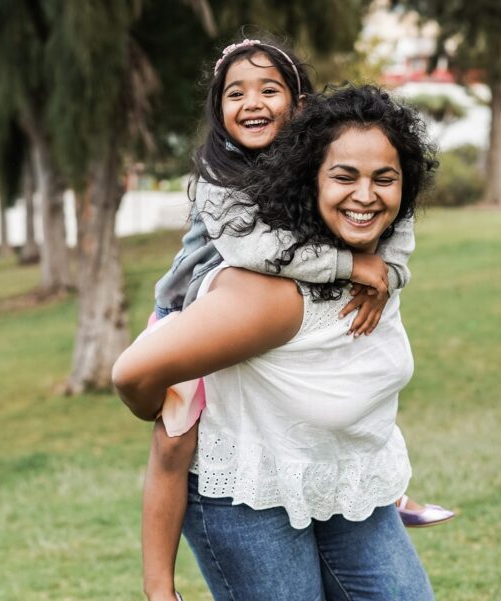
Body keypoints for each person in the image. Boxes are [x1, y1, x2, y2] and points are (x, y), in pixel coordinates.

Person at [139, 38, 450, 601]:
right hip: (186, 306)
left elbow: (396, 221)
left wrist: (387, 273)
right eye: (235, 93)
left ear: (299, 106)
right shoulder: (219, 177)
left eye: (269, 90)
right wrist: (349, 263)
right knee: (173, 437)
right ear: (217, 109)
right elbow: (254, 252)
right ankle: (159, 586)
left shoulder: (319, 168)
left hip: (332, 470)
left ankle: (386, 490)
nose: (252, 103)